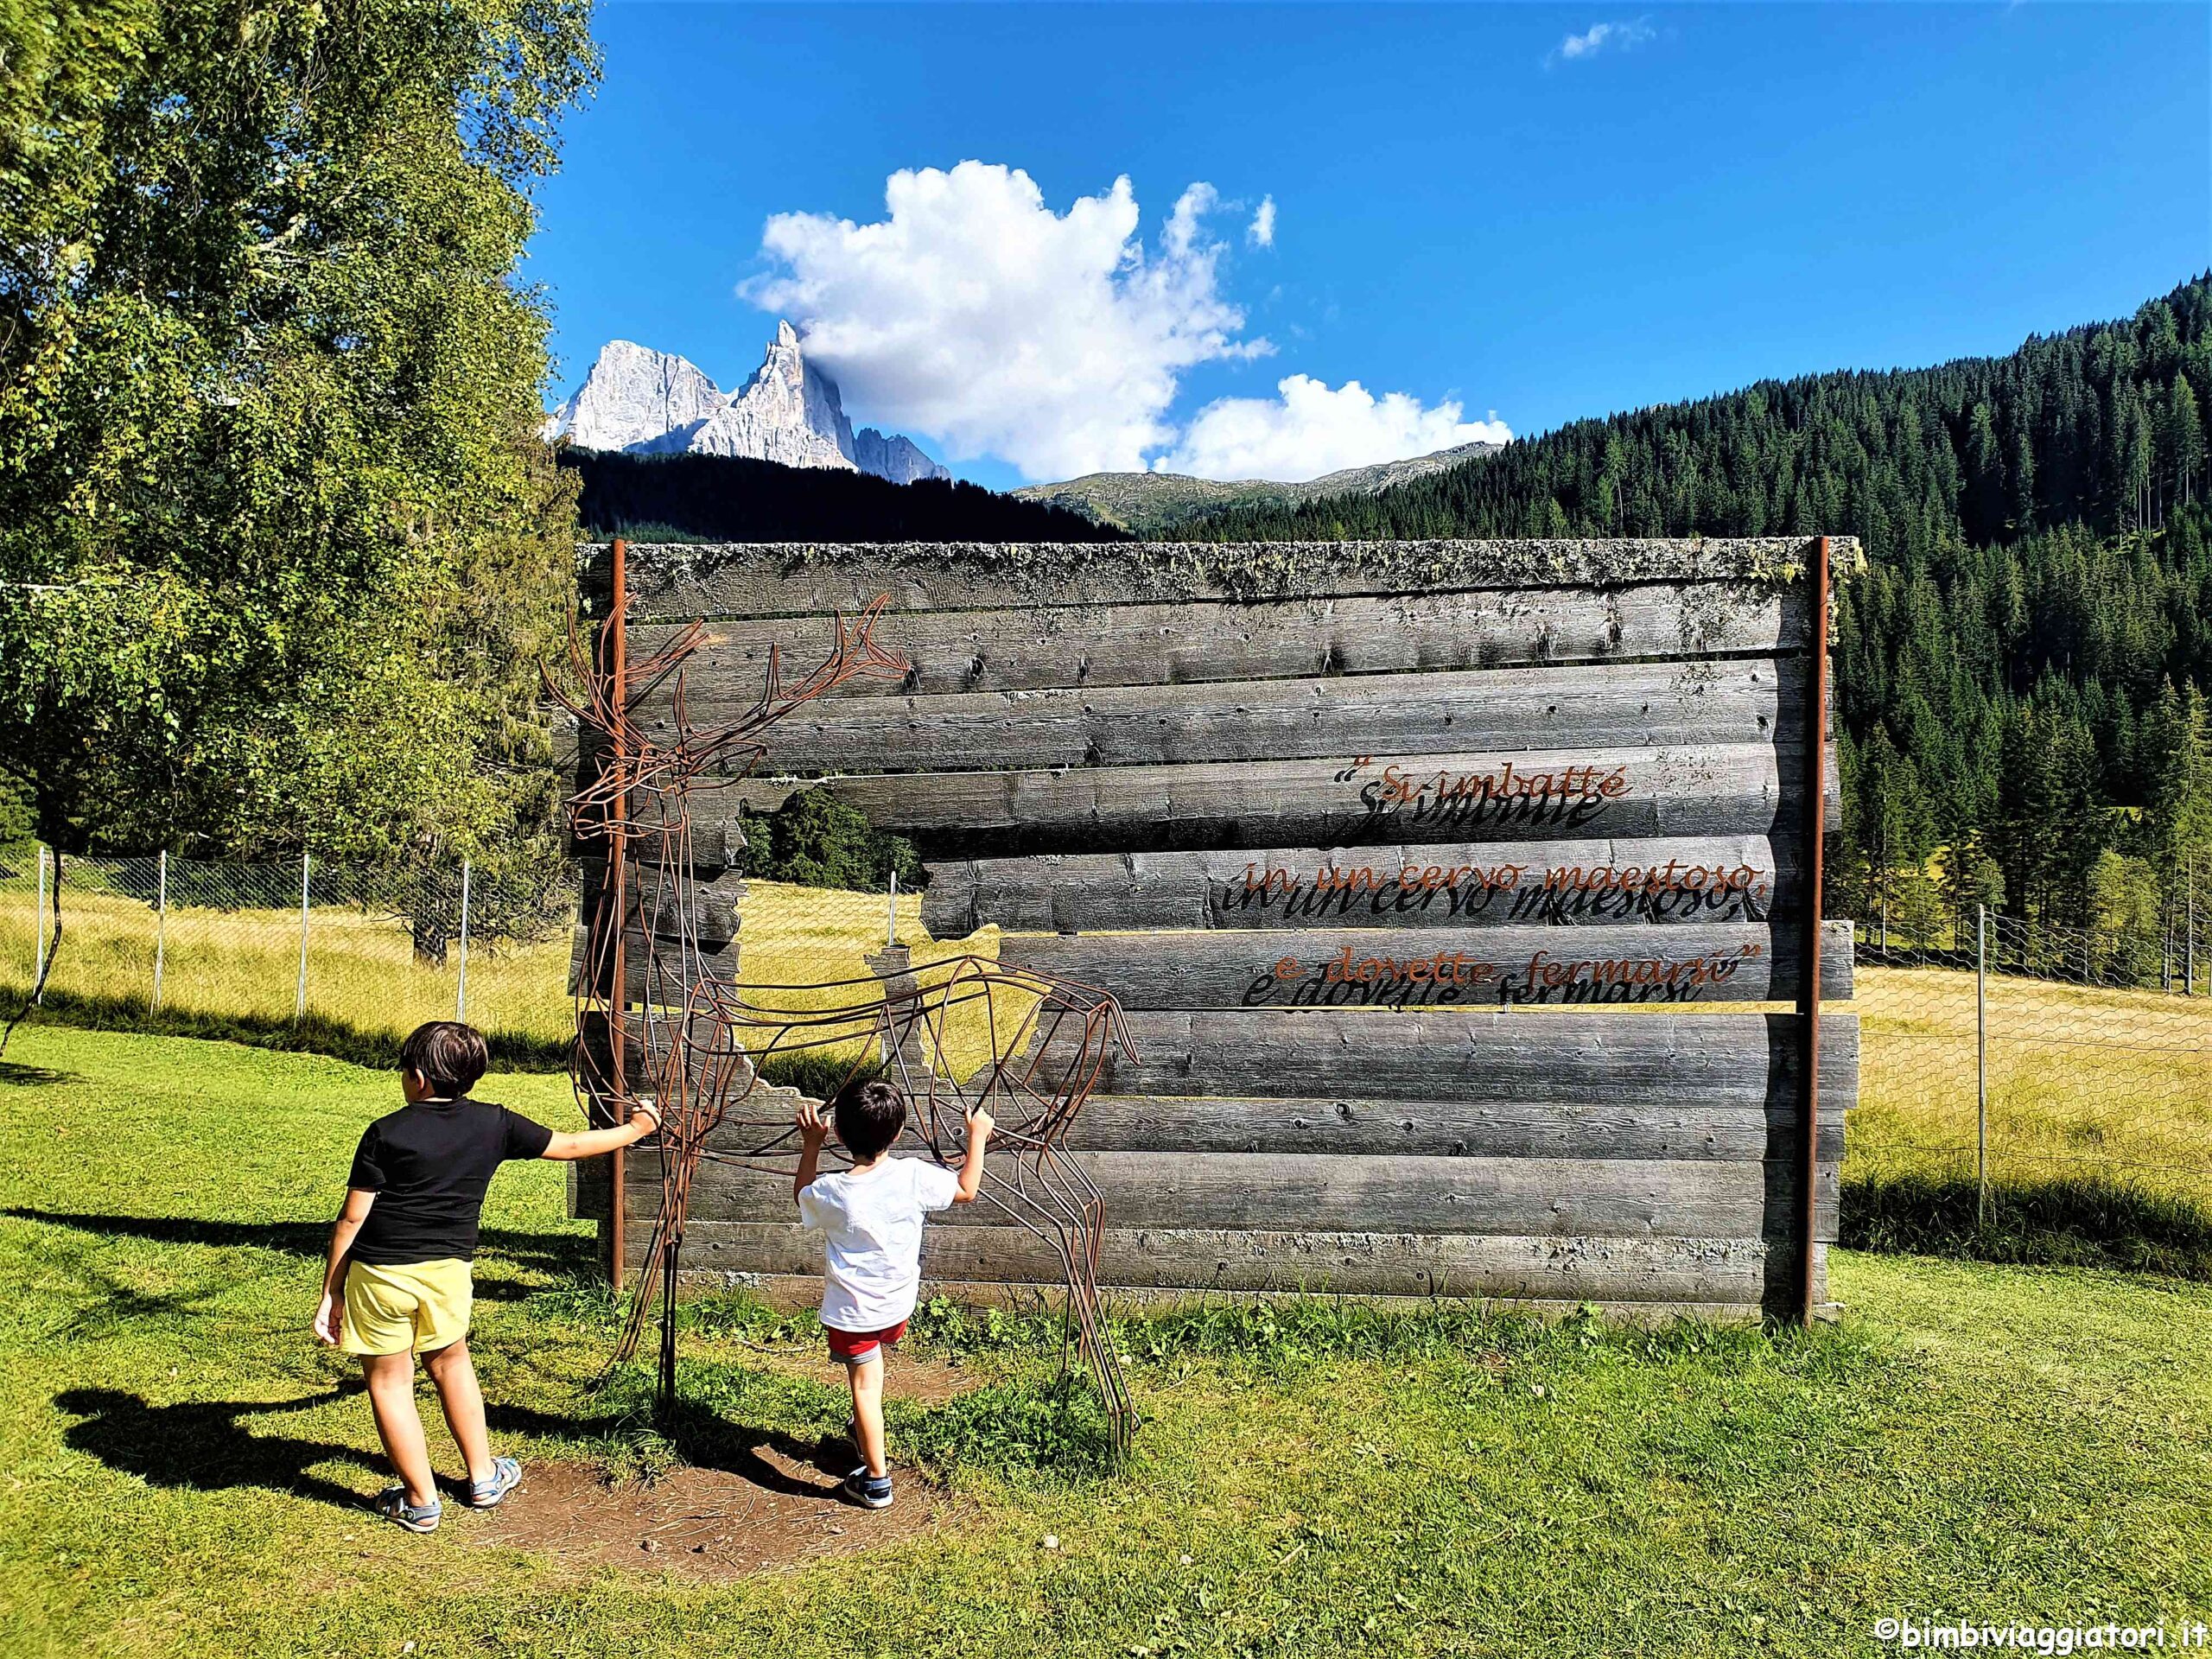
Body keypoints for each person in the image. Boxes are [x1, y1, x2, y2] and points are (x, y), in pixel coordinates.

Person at [312, 1020, 658, 1533]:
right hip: (449, 1272)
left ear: (420, 1078)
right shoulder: (494, 1123)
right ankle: (482, 1477)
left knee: (389, 1382)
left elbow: (352, 1219)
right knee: (452, 1364)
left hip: (380, 1273)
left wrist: (332, 1290)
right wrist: (635, 1130)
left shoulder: (386, 1132)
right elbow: (569, 1145)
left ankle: (421, 1500)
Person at [793, 1077, 992, 1510]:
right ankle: (865, 1432)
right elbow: (966, 1189)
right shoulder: (913, 1175)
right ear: (898, 1133)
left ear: (839, 1134)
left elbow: (801, 1196)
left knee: (865, 1389)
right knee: (873, 1378)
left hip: (854, 1316)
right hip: (897, 1308)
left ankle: (877, 1483)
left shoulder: (832, 1190)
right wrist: (977, 1138)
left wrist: (811, 1145)